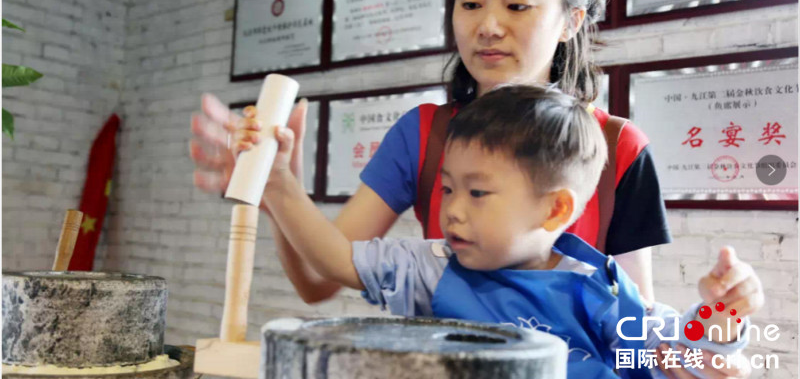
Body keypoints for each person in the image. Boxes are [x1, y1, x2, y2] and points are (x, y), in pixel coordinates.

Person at [190, 0, 750, 375]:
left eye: (517, 5)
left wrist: (721, 337)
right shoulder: (424, 138)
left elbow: (637, 340)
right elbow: (322, 276)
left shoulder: (619, 148)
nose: (488, 25)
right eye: (471, 2)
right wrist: (278, 189)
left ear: (571, 20)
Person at [259, 85, 764, 378]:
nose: (452, 211)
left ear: (554, 210)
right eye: (449, 189)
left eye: (477, 194)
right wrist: (279, 184)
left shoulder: (600, 291)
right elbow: (333, 259)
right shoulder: (429, 267)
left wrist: (721, 317)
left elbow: (686, 360)